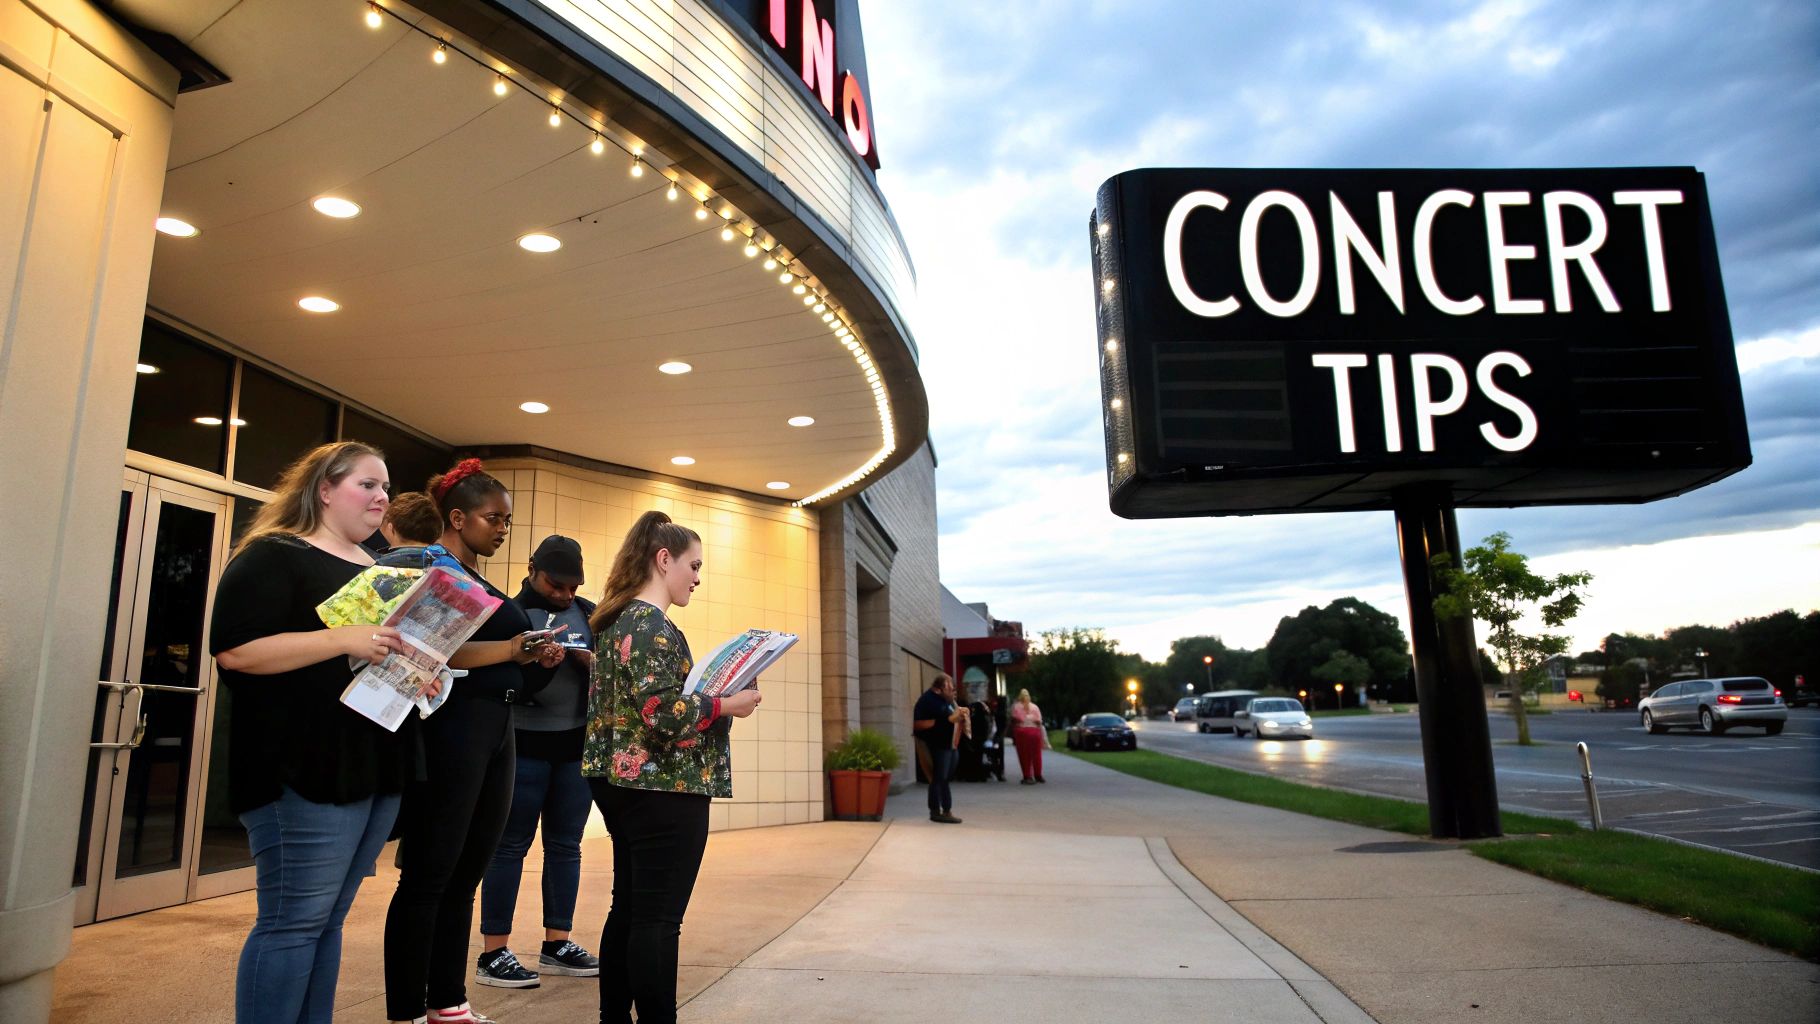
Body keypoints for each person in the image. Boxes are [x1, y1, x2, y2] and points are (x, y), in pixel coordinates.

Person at [211, 441, 435, 1024]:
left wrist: (415, 676)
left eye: (385, 487)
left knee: (328, 920)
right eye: (368, 484)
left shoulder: (376, 568)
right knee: (293, 921)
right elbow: (236, 652)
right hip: (302, 767)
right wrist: (342, 639)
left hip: (372, 760)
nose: (382, 497)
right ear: (324, 490)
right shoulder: (274, 555)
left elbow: (367, 661)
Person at [384, 460, 567, 1024]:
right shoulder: (430, 568)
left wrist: (535, 656)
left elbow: (502, 657)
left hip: (496, 729)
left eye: (507, 521)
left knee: (467, 871)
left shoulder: (478, 578)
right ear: (457, 517)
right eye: (494, 518)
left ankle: (447, 998)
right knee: (431, 871)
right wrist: (514, 649)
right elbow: (428, 649)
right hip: (451, 728)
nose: (503, 529)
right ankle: (407, 1006)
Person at [583, 510, 763, 1024]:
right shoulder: (650, 625)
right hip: (663, 787)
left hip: (625, 785)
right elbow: (662, 713)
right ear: (664, 560)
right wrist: (725, 704)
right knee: (659, 921)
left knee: (631, 910)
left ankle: (614, 1018)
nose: (698, 578)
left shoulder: (619, 620)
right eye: (694, 565)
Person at [475, 535, 601, 987]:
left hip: (575, 748)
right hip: (522, 746)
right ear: (533, 570)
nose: (565, 594)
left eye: (573, 586)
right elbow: (496, 678)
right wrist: (536, 665)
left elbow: (611, 672)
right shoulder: (508, 611)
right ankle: (494, 952)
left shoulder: (589, 613)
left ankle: (557, 943)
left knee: (566, 845)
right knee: (509, 845)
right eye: (556, 584)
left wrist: (590, 662)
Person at [912, 674, 966, 823]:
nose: (952, 690)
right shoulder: (930, 700)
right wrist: (953, 717)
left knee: (944, 777)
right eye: (949, 687)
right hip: (937, 744)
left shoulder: (945, 701)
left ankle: (940, 810)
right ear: (938, 689)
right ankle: (940, 811)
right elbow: (942, 720)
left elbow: (948, 718)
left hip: (948, 744)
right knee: (939, 778)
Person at [1009, 688, 1047, 784]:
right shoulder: (1035, 707)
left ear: (1019, 697)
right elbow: (1039, 722)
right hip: (1035, 732)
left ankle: (1027, 776)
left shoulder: (1016, 707)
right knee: (1037, 754)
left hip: (1022, 732)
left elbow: (1015, 720)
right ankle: (1038, 775)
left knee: (1024, 755)